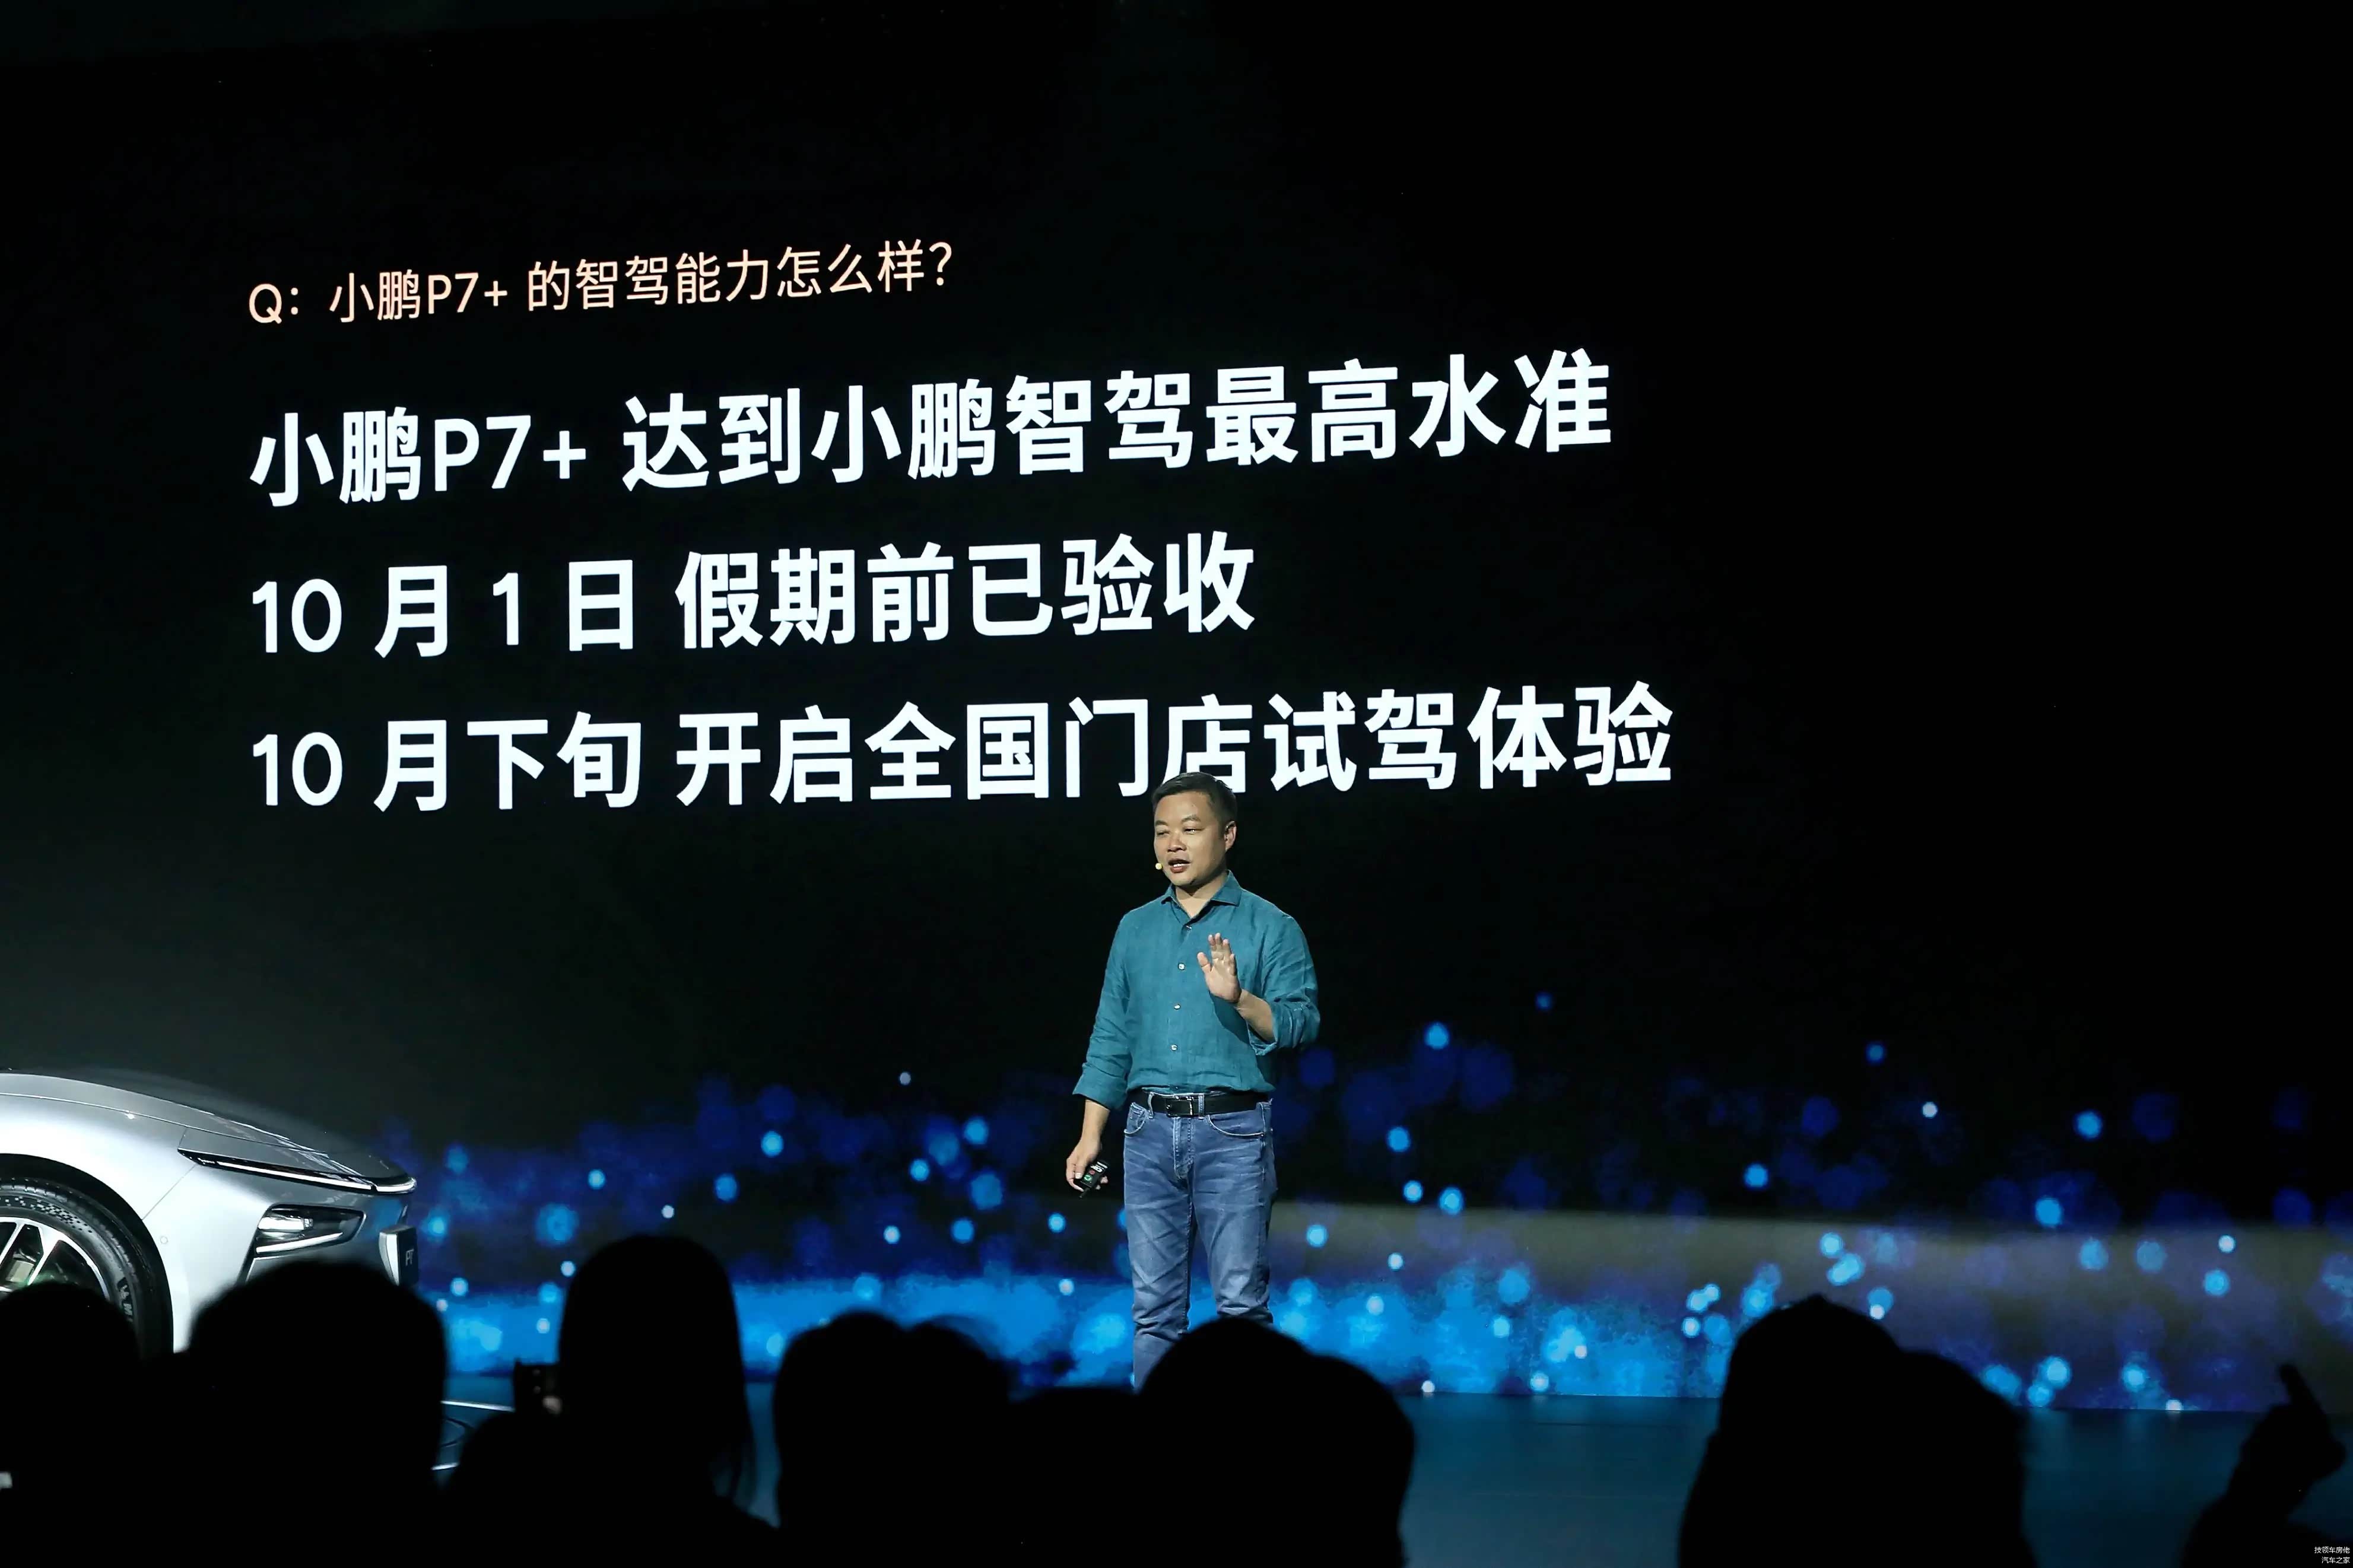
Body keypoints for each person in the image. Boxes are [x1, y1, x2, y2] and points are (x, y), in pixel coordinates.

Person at [1065, 771, 1321, 1386]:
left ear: (1226, 836)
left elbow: (1301, 1021)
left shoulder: (1270, 926)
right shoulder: (1134, 928)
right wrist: (1090, 1134)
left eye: (1189, 829)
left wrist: (1240, 999)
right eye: (1161, 832)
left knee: (1240, 1307)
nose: (1173, 844)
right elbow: (1111, 1035)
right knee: (1153, 1312)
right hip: (1147, 1132)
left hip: (1232, 1132)